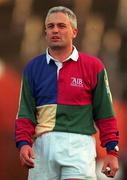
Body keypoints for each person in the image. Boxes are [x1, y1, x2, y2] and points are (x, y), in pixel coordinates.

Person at [15, 6, 119, 180]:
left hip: (79, 146)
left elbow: (105, 114)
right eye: (50, 26)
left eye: (62, 26)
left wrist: (111, 151)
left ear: (74, 32)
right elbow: (25, 112)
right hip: (41, 147)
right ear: (45, 32)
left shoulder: (94, 67)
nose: (55, 30)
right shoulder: (32, 68)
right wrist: (23, 143)